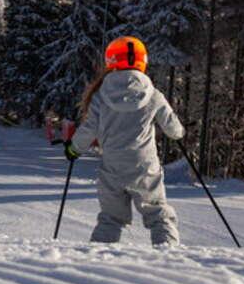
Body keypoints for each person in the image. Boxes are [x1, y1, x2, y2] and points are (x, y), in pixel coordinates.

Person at [69, 36, 185, 246]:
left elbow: (89, 128)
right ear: (143, 60)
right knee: (158, 214)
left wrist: (74, 149)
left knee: (111, 219)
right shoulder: (153, 95)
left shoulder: (100, 95)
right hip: (145, 167)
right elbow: (174, 130)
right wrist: (179, 133)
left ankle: (97, 263)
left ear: (110, 61)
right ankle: (169, 255)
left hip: (112, 167)